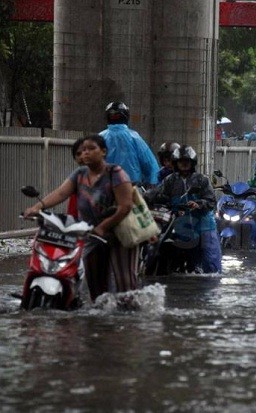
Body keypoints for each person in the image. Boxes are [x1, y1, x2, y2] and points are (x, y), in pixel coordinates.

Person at [23, 134, 136, 302]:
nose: (86, 153)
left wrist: (103, 227)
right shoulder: (80, 174)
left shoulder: (116, 173)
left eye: (91, 149)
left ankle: (131, 318)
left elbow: (125, 206)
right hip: (90, 234)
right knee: (95, 285)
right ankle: (99, 319)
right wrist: (37, 207)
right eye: (83, 150)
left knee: (124, 283)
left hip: (117, 234)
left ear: (104, 151)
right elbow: (61, 193)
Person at [151, 145, 221, 274]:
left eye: (186, 161)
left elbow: (211, 201)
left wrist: (198, 204)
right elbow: (159, 196)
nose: (183, 164)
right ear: (176, 163)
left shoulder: (202, 179)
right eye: (180, 161)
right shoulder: (169, 181)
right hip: (180, 225)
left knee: (211, 264)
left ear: (192, 163)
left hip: (204, 225)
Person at [99, 102, 160, 187]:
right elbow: (150, 164)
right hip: (131, 187)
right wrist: (153, 183)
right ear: (126, 116)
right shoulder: (134, 137)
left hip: (104, 188)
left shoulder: (100, 137)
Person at [67, 137, 86, 218]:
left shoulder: (110, 174)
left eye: (85, 151)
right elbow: (60, 194)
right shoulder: (78, 176)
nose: (82, 156)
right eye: (78, 154)